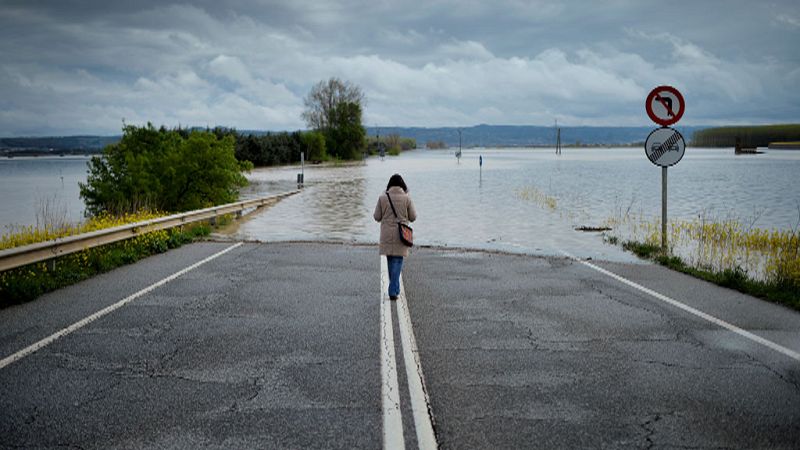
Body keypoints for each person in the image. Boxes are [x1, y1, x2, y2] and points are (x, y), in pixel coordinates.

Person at [373, 174, 417, 300]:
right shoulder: (407, 198)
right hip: (401, 234)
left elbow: (377, 217)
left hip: (386, 234)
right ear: (403, 185)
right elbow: (413, 217)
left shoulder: (383, 198)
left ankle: (394, 288)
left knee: (391, 261)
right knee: (397, 261)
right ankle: (393, 290)